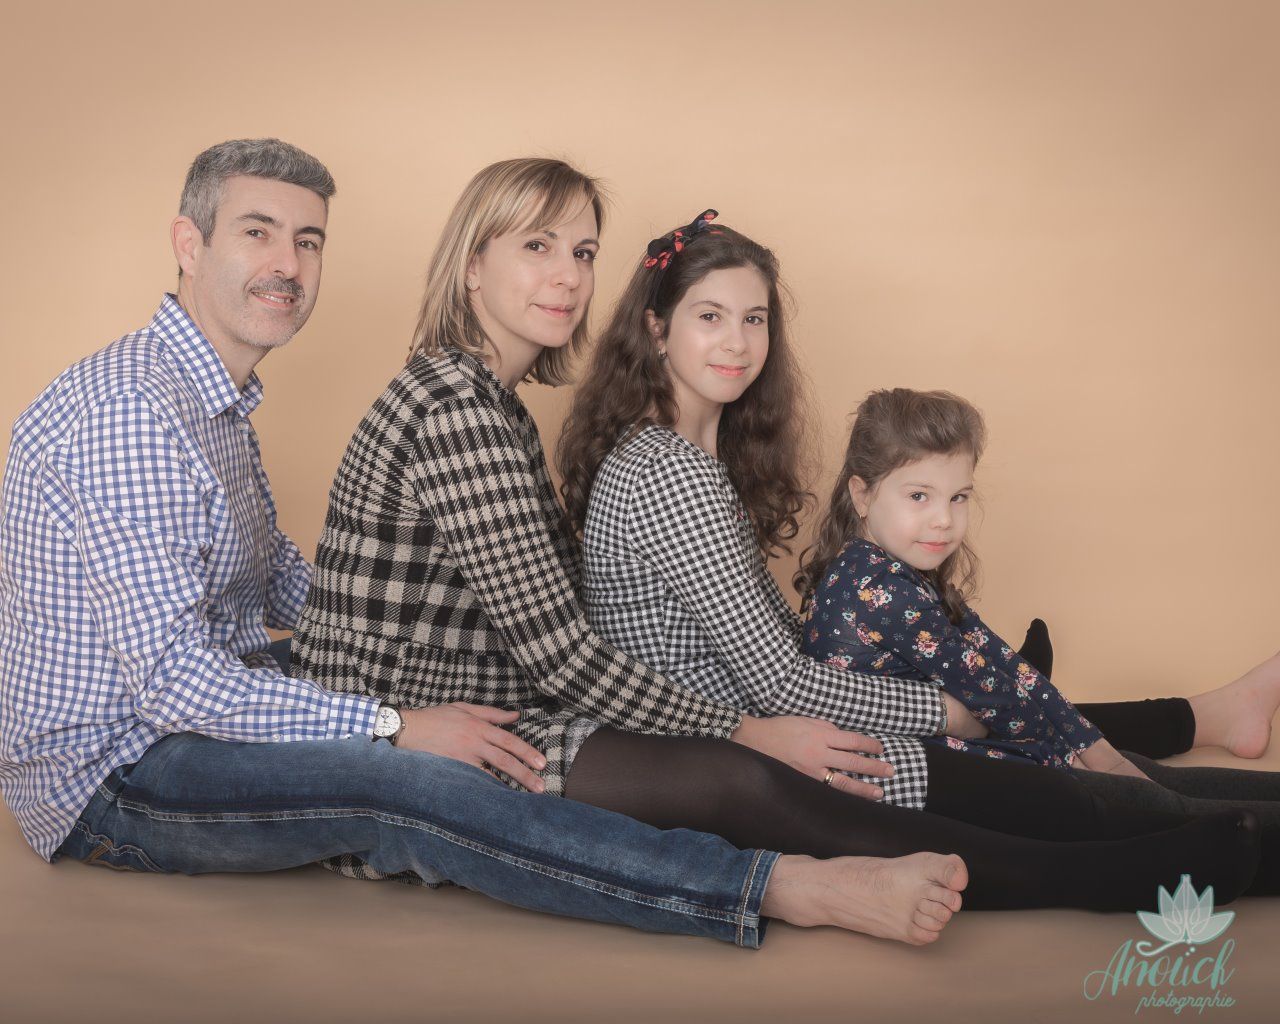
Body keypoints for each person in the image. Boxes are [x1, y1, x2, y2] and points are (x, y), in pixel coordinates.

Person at [0, 139, 984, 950]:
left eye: (308, 240)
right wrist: (389, 721)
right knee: (416, 789)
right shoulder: (134, 413)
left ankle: (977, 784)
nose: (288, 265)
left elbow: (285, 585)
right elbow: (173, 683)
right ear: (187, 242)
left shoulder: (219, 404)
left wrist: (366, 650)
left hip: (216, 700)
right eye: (258, 233)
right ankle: (780, 889)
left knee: (560, 754)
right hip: (119, 775)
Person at [294, 162, 1262, 912]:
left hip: (510, 713)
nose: (565, 275)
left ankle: (1185, 799)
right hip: (439, 738)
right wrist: (775, 724)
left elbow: (564, 625)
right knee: (857, 763)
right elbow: (568, 655)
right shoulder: (468, 411)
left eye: (582, 252)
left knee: (994, 741)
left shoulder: (495, 406)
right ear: (471, 264)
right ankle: (1164, 851)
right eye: (536, 246)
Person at [557, 207, 1280, 896]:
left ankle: (1194, 736)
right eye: (709, 317)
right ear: (657, 330)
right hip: (762, 755)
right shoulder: (669, 472)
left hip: (775, 733)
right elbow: (783, 687)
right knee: (1084, 794)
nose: (738, 343)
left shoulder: (687, 460)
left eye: (755, 318)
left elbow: (771, 652)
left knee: (1069, 750)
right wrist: (947, 710)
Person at [800, 387, 1131, 774]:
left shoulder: (884, 561)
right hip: (895, 763)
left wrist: (1093, 745)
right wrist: (1079, 763)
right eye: (919, 496)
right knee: (1034, 741)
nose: (944, 519)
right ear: (861, 495)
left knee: (1020, 689)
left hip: (952, 710)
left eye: (958, 497)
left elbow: (983, 644)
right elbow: (998, 701)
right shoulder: (881, 589)